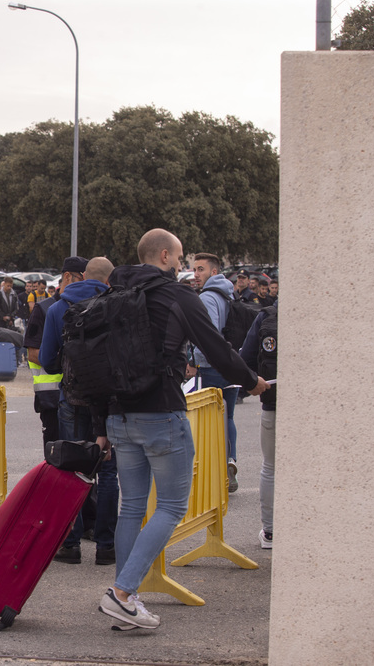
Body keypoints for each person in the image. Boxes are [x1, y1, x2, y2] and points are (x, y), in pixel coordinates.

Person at [95, 229, 267, 630]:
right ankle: (122, 593)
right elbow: (217, 347)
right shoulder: (177, 295)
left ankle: (125, 597)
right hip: (160, 411)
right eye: (181, 257)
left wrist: (100, 420)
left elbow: (98, 360)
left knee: (133, 505)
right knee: (171, 506)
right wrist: (253, 381)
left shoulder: (111, 295)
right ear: (166, 255)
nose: (183, 265)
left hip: (118, 414)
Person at [39, 257, 117, 566]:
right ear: (108, 280)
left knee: (71, 470)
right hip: (108, 401)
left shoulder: (59, 308)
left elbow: (46, 359)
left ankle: (70, 544)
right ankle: (106, 546)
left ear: (81, 277)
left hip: (71, 398)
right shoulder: (116, 305)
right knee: (109, 472)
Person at [23, 257, 87, 454]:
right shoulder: (44, 309)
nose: (86, 284)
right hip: (51, 395)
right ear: (67, 276)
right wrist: (67, 361)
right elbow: (32, 353)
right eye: (82, 279)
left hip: (81, 395)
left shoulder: (87, 306)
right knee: (56, 457)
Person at [189, 252, 242, 492]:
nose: (195, 274)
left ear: (213, 271)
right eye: (194, 269)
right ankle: (230, 461)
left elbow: (207, 335)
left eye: (200, 269)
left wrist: (195, 360)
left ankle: (216, 471)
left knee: (210, 420)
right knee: (228, 417)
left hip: (211, 367)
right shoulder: (228, 292)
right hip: (232, 364)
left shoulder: (209, 297)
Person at [240, 305, 277, 550]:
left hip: (273, 404)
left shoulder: (267, 315)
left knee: (271, 467)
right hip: (317, 410)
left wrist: (253, 383)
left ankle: (271, 531)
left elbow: (246, 358)